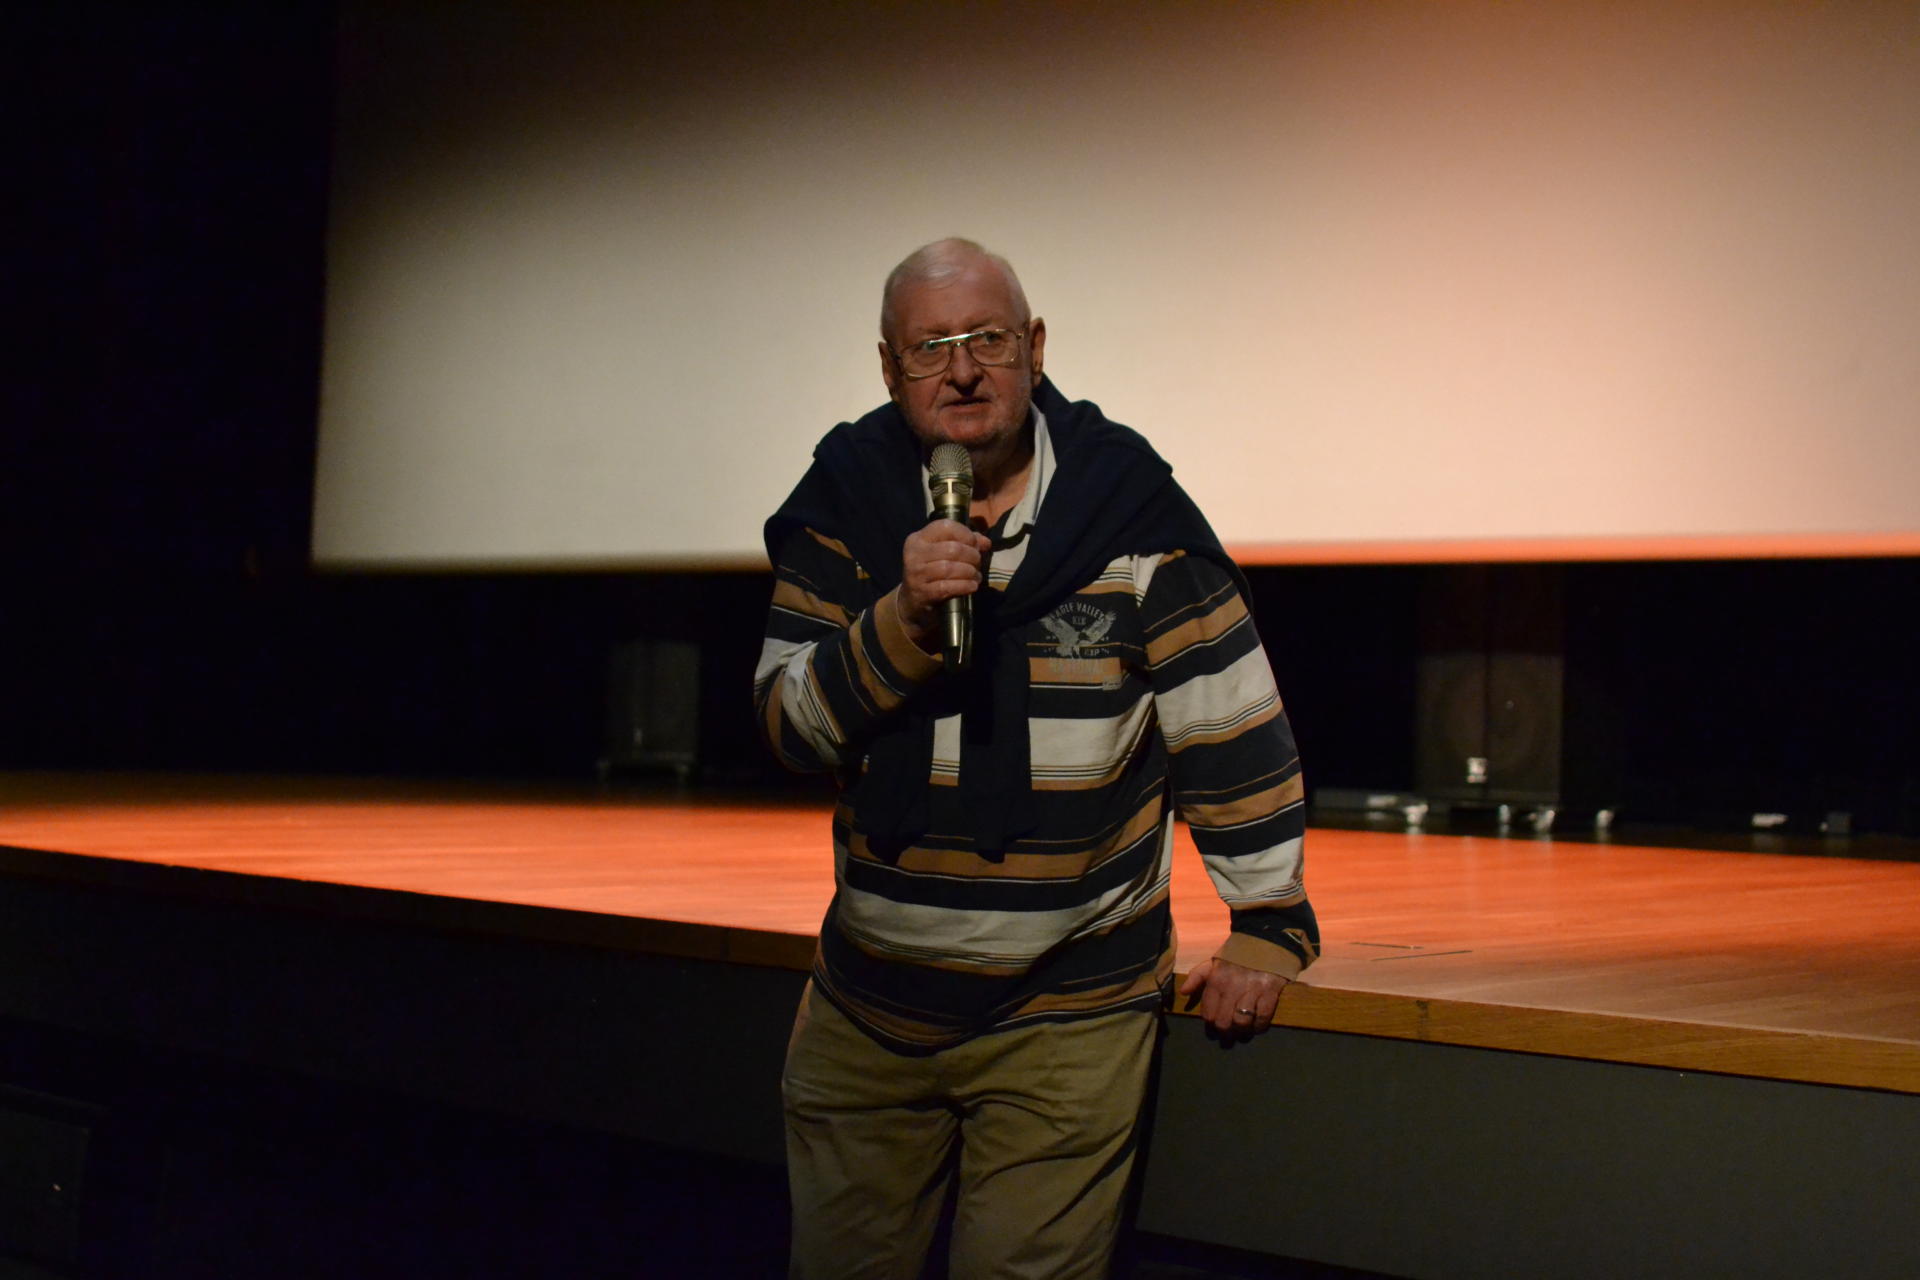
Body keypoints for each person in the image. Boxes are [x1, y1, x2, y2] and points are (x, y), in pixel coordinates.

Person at [756, 238, 1317, 1278]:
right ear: (888, 367)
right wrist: (902, 620)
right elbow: (790, 727)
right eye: (931, 347)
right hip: (866, 1013)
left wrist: (1268, 920)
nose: (963, 370)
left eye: (989, 339)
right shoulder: (845, 504)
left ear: (1036, 347)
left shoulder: (1128, 510)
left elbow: (1230, 722)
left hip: (1066, 1018)